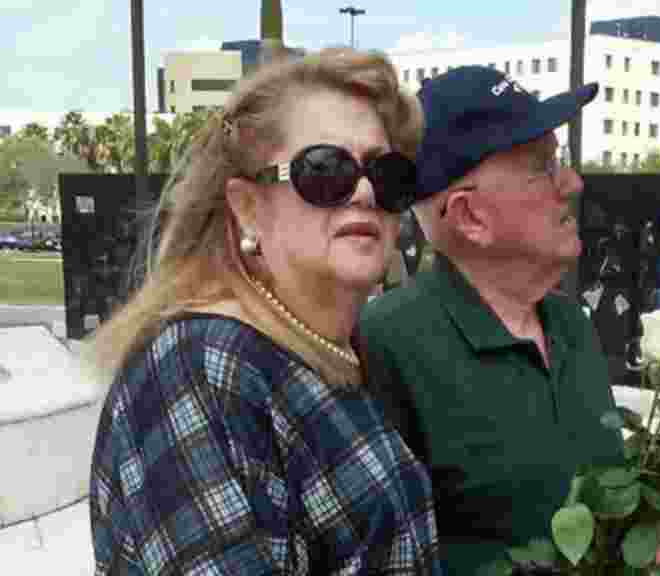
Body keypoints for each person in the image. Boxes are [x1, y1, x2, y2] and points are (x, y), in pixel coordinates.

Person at [86, 49, 442, 575]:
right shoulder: (198, 366)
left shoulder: (332, 350)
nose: (365, 191)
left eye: (386, 174)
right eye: (326, 169)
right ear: (248, 206)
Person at [358, 66, 625, 575]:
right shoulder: (386, 342)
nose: (572, 183)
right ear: (470, 217)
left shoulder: (573, 326)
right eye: (544, 166)